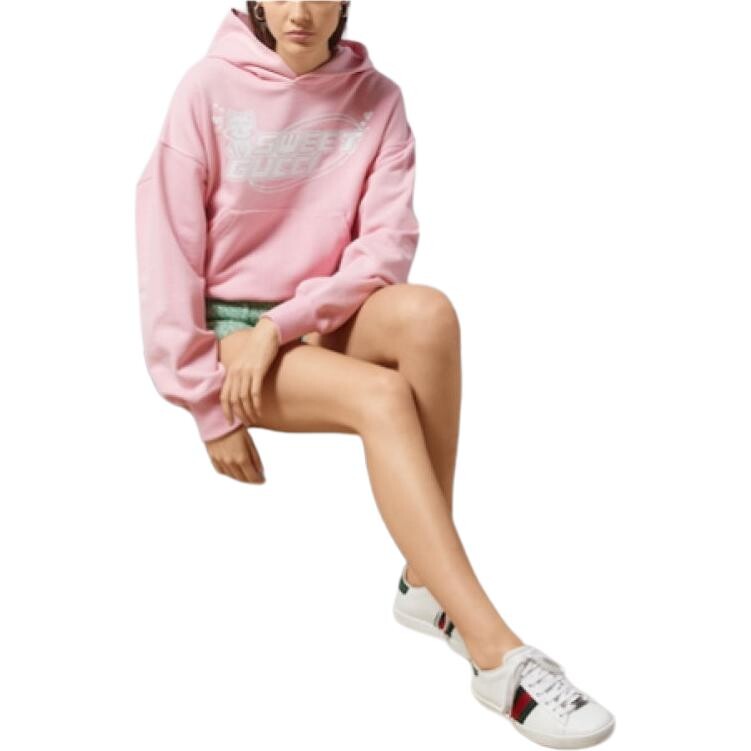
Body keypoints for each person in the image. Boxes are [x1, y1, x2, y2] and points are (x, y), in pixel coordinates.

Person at [134, 3, 615, 747]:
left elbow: (386, 248)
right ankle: (496, 655)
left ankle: (426, 579)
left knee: (428, 315)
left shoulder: (378, 98)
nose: (299, 12)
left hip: (310, 318)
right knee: (381, 395)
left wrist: (284, 324)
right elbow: (164, 243)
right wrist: (207, 404)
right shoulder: (208, 87)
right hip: (228, 335)